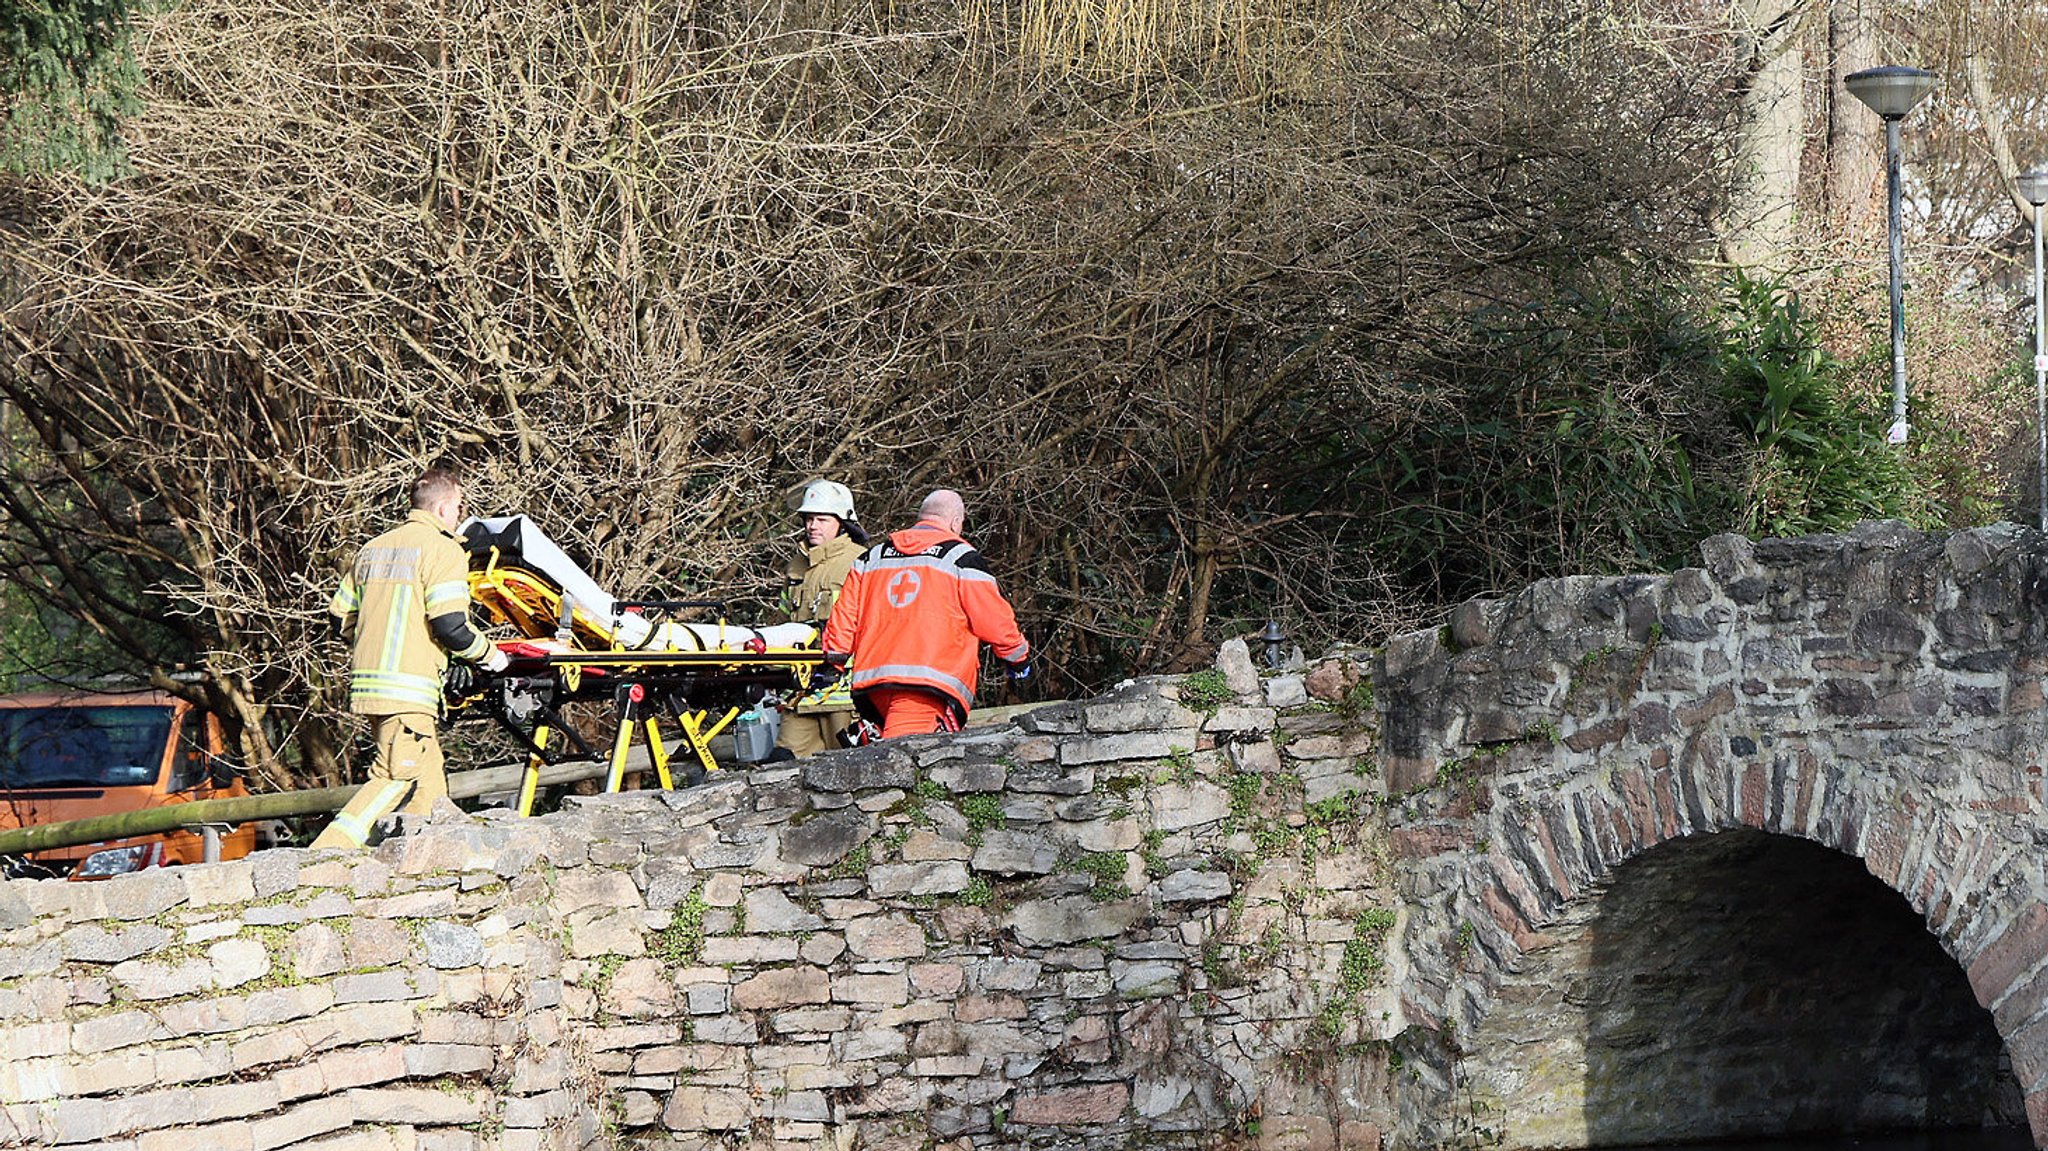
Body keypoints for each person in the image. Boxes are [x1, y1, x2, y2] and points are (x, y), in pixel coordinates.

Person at [312, 468, 508, 849]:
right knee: (395, 776)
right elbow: (451, 625)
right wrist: (491, 657)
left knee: (430, 789)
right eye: (459, 507)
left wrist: (375, 640)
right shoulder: (443, 548)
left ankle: (432, 865)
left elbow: (339, 618)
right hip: (410, 689)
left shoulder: (372, 549)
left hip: (372, 687)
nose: (460, 515)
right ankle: (323, 858)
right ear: (443, 508)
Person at [819, 489, 1030, 739]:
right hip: (926, 685)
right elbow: (995, 621)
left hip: (874, 684)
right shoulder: (961, 559)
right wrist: (1018, 659)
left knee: (889, 754)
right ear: (955, 522)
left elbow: (845, 616)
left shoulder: (872, 558)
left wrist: (834, 662)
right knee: (904, 763)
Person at [773, 479, 867, 758]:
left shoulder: (860, 561)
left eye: (822, 519)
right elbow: (784, 622)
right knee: (781, 764)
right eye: (808, 518)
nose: (812, 526)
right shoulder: (796, 567)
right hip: (800, 693)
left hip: (845, 697)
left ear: (843, 521)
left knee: (853, 767)